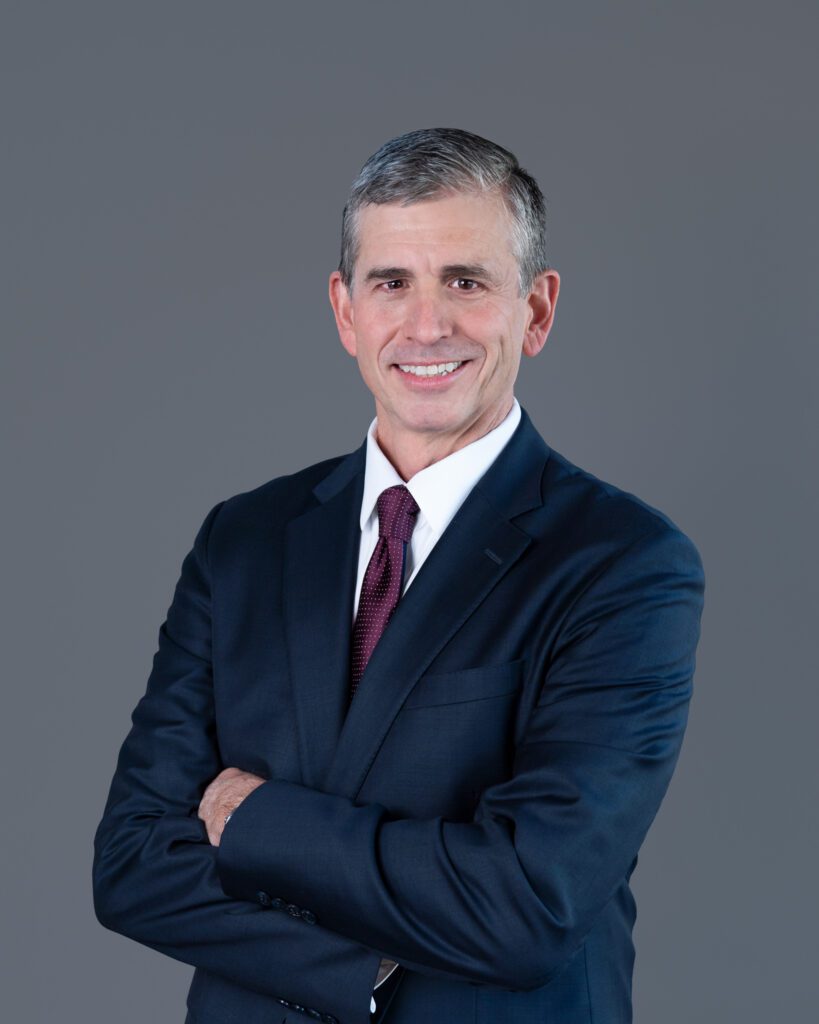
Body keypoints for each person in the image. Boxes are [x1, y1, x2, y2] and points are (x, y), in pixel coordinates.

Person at [93, 127, 705, 1024]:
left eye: (466, 281)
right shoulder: (244, 540)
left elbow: (524, 908)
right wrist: (362, 962)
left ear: (535, 311)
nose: (427, 325)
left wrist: (256, 824)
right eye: (392, 283)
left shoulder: (623, 563)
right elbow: (135, 863)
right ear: (346, 312)